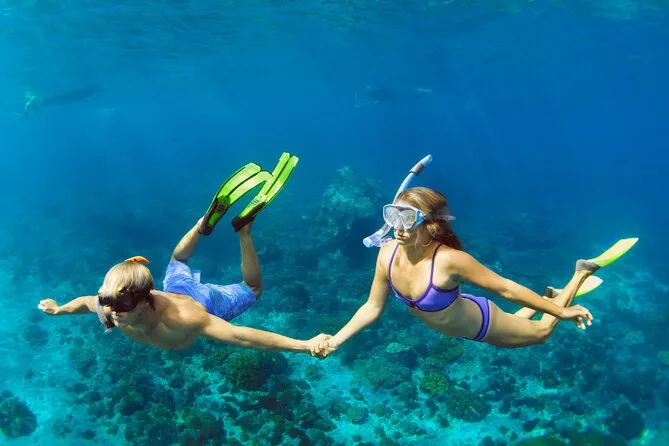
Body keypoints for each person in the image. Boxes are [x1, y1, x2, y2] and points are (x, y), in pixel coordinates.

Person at [38, 154, 327, 354]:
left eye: (121, 303)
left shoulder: (185, 319)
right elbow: (85, 303)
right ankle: (203, 223)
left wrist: (304, 345)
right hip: (175, 288)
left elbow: (243, 338)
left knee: (253, 289)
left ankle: (244, 231)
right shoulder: (111, 308)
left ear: (144, 300)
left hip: (201, 300)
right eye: (107, 300)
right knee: (177, 260)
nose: (112, 310)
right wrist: (59, 309)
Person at [311, 186, 637, 357]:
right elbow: (372, 307)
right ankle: (550, 296)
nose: (398, 226)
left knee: (541, 333)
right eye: (393, 215)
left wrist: (560, 313)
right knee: (519, 324)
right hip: (466, 319)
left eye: (408, 218)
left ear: (430, 224)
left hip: (481, 324)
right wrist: (337, 340)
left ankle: (579, 273)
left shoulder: (450, 261)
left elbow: (505, 289)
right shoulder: (386, 253)